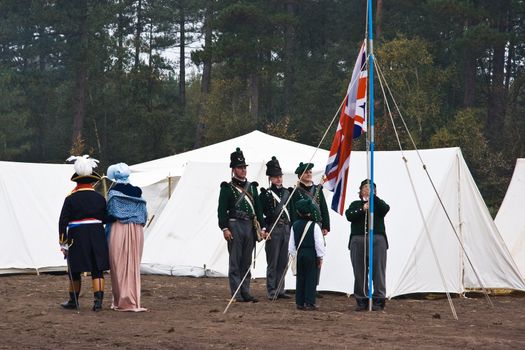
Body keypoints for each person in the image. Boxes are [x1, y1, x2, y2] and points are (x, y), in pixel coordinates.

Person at [59, 155, 109, 311]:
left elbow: (62, 222)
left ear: (77, 181)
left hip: (77, 235)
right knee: (97, 269)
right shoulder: (100, 198)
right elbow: (105, 218)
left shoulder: (70, 198)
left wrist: (63, 241)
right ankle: (98, 303)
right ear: (92, 181)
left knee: (74, 269)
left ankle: (73, 301)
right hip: (96, 235)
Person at [217, 147, 265, 302]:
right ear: (233, 169)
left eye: (244, 167)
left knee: (246, 261)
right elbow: (221, 210)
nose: (243, 170)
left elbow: (258, 209)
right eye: (240, 167)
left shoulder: (252, 187)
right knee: (235, 261)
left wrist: (262, 227)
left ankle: (246, 291)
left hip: (249, 226)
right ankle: (236, 293)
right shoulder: (227, 187)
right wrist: (225, 228)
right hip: (234, 225)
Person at [106, 163, 148, 312]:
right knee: (133, 265)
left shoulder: (113, 193)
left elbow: (110, 214)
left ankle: (122, 299)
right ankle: (132, 299)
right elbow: (144, 215)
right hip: (136, 229)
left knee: (118, 264)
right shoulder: (138, 192)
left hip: (119, 228)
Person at [345, 179, 390, 311]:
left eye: (371, 187)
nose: (368, 189)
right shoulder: (355, 204)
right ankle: (362, 298)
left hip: (377, 239)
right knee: (359, 271)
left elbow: (385, 209)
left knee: (378, 270)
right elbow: (349, 215)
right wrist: (362, 208)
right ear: (360, 190)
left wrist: (373, 198)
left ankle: (379, 298)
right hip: (358, 240)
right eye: (365, 187)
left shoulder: (378, 204)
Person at [289, 162, 330, 297]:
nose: (309, 174)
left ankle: (313, 287)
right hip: (303, 227)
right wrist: (296, 228)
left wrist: (325, 226)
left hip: (316, 226)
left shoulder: (317, 189)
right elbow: (293, 211)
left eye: (310, 172)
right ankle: (303, 286)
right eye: (306, 172)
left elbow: (323, 208)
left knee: (317, 257)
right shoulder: (296, 191)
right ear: (300, 176)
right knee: (304, 258)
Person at [260, 156, 291, 300]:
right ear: (270, 179)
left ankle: (280, 289)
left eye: (280, 176)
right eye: (275, 177)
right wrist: (265, 229)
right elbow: (263, 214)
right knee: (272, 261)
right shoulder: (265, 194)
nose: (278, 179)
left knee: (283, 261)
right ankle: (272, 290)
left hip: (286, 228)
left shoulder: (288, 193)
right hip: (273, 228)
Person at [288, 198, 325, 311]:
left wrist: (294, 255)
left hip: (299, 254)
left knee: (301, 278)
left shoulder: (294, 225)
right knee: (311, 278)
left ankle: (299, 302)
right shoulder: (314, 226)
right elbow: (319, 243)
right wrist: (320, 256)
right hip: (311, 253)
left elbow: (291, 244)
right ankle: (309, 302)